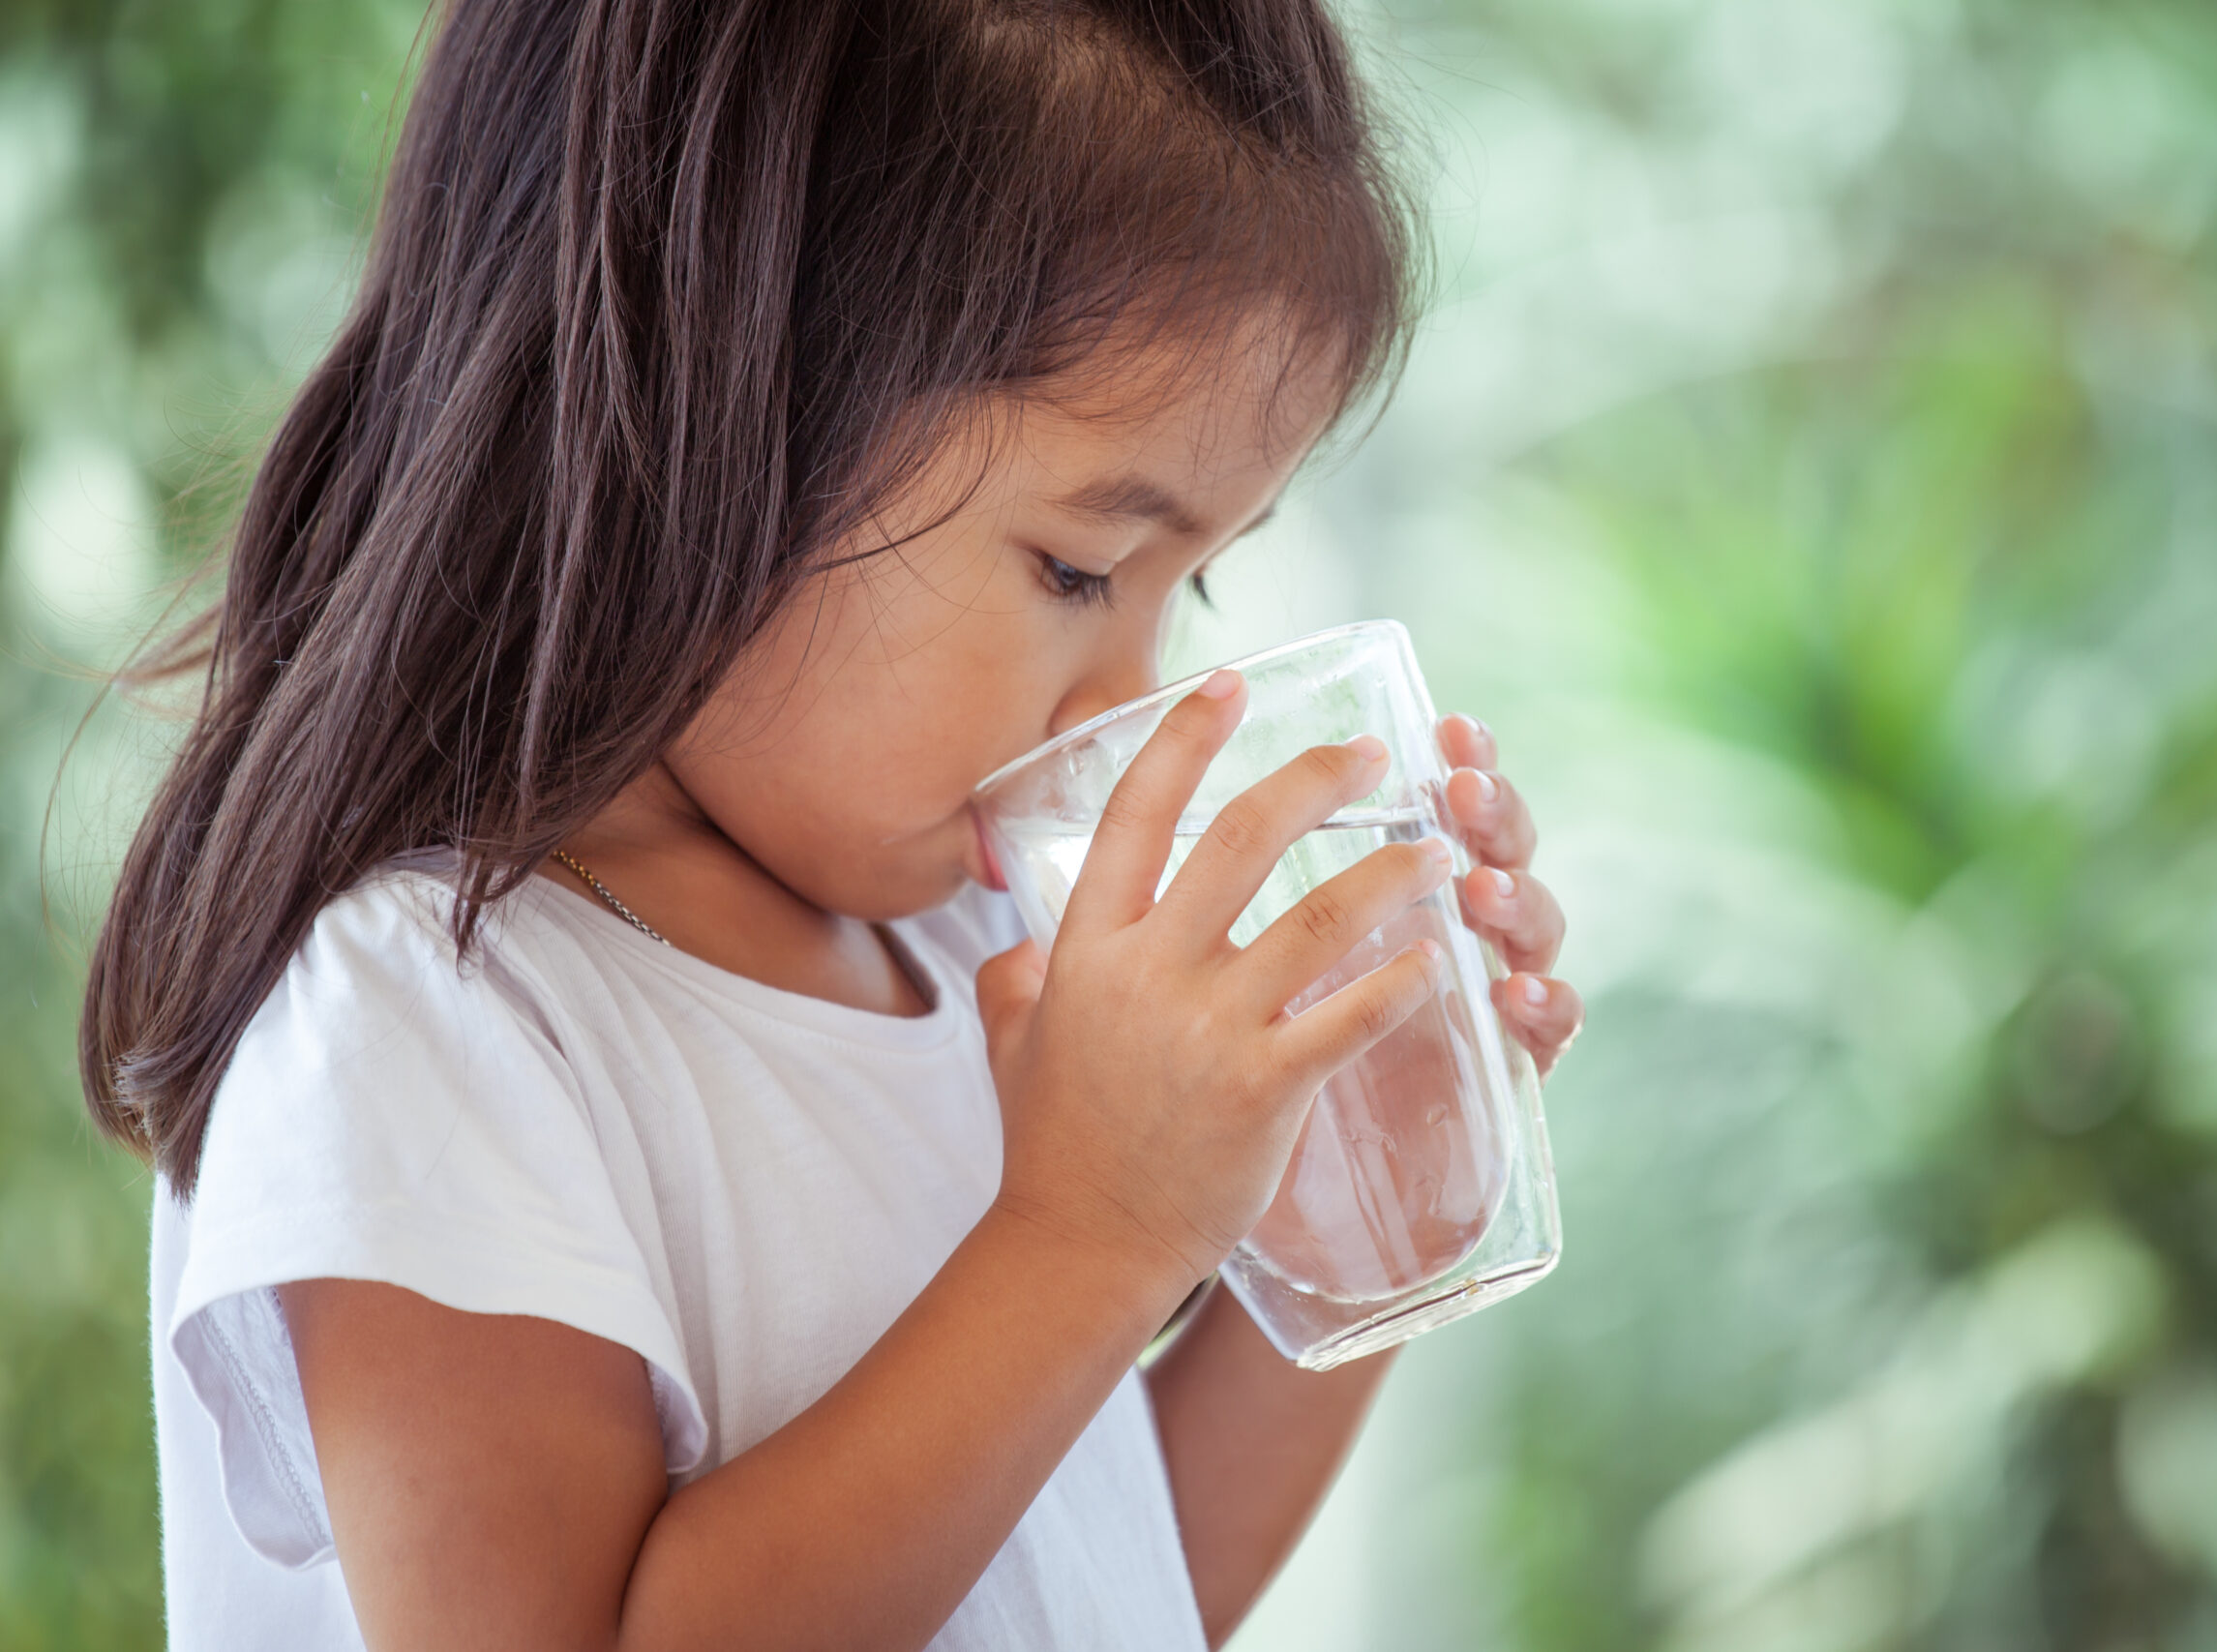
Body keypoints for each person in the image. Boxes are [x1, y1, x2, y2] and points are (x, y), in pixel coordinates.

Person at [80, 1, 1584, 1647]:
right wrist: (1091, 1236)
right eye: (1080, 569)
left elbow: (1101, 1581)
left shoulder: (964, 943)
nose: (1124, 698)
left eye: (1194, 579)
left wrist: (1395, 1197)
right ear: (701, 403)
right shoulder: (436, 1015)